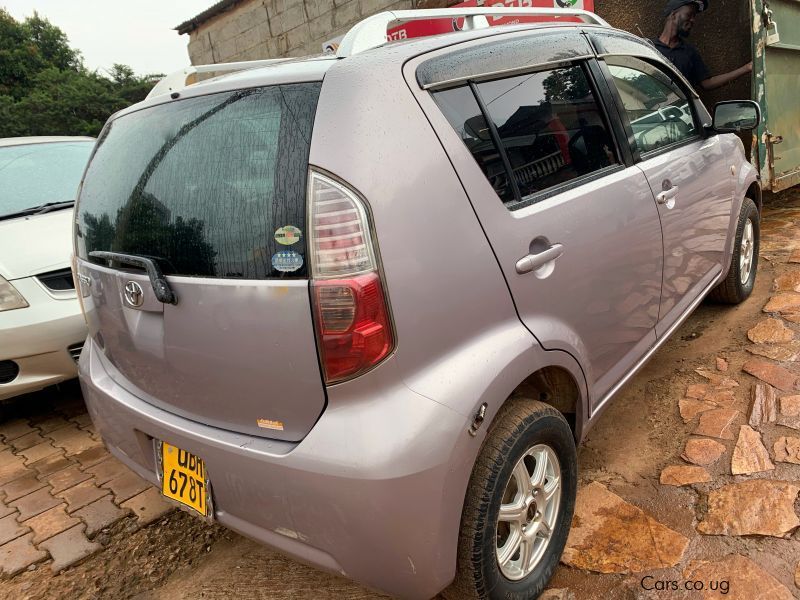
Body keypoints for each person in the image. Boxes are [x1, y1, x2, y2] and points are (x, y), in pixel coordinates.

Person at [653, 0, 752, 90]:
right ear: (674, 15)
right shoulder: (649, 48)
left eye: (694, 16)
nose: (693, 20)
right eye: (689, 14)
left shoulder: (689, 52)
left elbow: (707, 83)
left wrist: (746, 68)